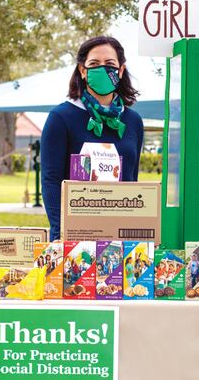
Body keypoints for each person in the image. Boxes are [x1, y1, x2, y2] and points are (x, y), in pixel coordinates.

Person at [41, 36, 144, 241]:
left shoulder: (133, 121)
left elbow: (132, 181)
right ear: (82, 71)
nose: (103, 69)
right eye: (94, 64)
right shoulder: (61, 117)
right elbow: (51, 181)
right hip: (74, 235)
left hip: (121, 235)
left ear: (121, 71)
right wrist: (62, 231)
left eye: (110, 64)